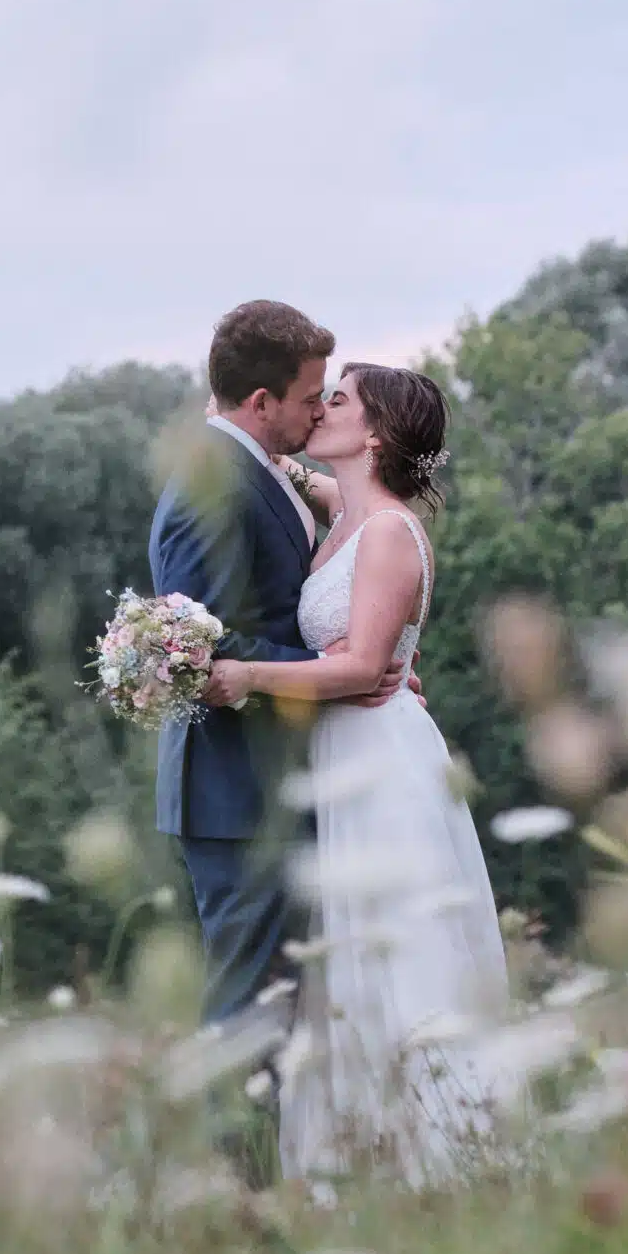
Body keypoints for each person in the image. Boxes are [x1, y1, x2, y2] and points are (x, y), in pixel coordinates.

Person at [204, 363, 511, 1187]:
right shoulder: (344, 511)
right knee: (342, 960)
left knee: (397, 952)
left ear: (374, 433)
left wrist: (246, 676)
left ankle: (443, 1167)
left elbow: (363, 667)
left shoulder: (385, 533)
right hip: (339, 757)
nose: (321, 407)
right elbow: (291, 470)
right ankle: (352, 1162)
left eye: (336, 399)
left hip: (380, 762)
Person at [147, 303, 409, 1185]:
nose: (315, 410)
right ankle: (232, 1199)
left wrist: (360, 659)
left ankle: (267, 1181)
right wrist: (335, 666)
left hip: (278, 783)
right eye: (305, 397)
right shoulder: (208, 485)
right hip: (235, 790)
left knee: (277, 1005)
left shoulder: (263, 470)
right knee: (247, 1013)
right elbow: (209, 646)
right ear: (261, 401)